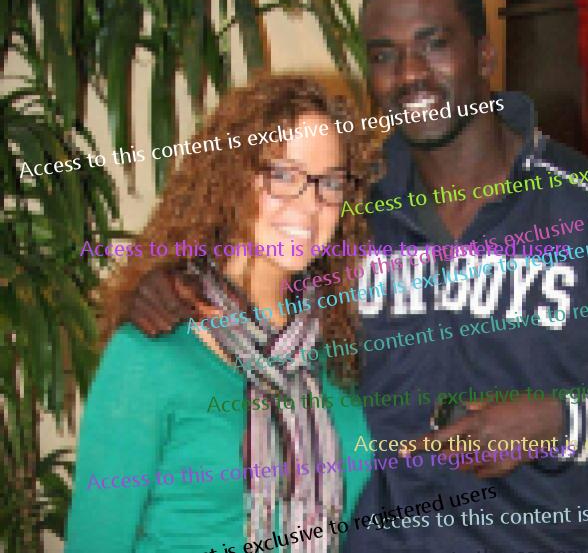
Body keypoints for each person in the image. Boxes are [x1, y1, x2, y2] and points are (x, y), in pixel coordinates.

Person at [127, 0, 588, 553]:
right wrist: (169, 287)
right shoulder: (343, 215)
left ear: (484, 55)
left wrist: (561, 422)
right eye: (385, 55)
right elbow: (241, 308)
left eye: (434, 44)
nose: (410, 74)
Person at [65, 75, 380, 553]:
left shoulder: (336, 348)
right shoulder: (149, 352)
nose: (310, 204)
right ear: (231, 177)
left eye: (330, 183)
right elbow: (96, 541)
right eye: (284, 175)